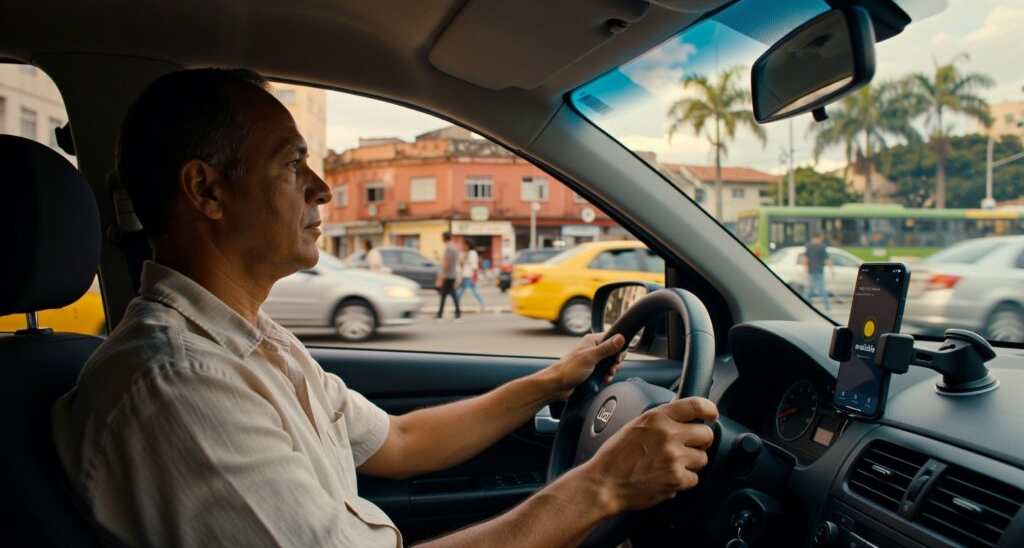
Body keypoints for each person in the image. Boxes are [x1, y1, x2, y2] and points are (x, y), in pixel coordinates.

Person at [51, 68, 718, 547]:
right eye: (291, 165)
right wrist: (601, 486)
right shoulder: (179, 387)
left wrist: (550, 381)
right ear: (206, 190)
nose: (321, 189)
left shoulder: (247, 340)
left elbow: (399, 441)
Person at [802, 232, 833, 312]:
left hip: (811, 271)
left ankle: (804, 305)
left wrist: (805, 270)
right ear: (819, 237)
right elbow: (827, 259)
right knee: (822, 289)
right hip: (819, 271)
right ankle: (828, 307)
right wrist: (831, 269)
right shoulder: (822, 246)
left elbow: (806, 259)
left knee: (808, 289)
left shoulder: (808, 246)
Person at [435, 232, 461, 321]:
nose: (441, 239)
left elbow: (448, 262)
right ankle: (441, 313)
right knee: (445, 295)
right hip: (451, 274)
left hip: (449, 275)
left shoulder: (449, 247)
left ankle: (456, 314)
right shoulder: (452, 246)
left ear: (445, 238)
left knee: (449, 295)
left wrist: (442, 275)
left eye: (442, 237)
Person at [456, 241, 485, 310]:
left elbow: (474, 266)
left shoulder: (472, 253)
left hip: (469, 275)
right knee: (465, 290)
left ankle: (456, 303)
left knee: (465, 290)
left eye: (465, 245)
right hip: (465, 275)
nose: (464, 247)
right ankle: (482, 302)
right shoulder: (466, 253)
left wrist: (475, 276)